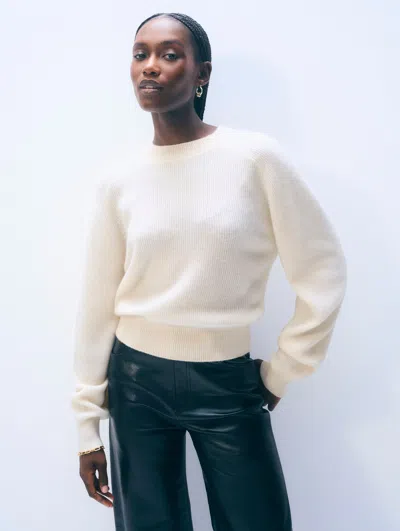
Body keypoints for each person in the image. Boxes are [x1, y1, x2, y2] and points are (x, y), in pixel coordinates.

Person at [71, 11, 347, 531]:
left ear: (202, 74)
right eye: (140, 54)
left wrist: (283, 370)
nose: (150, 67)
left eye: (170, 54)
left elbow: (323, 270)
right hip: (135, 384)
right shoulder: (119, 180)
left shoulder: (254, 159)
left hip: (227, 381)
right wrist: (87, 427)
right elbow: (96, 302)